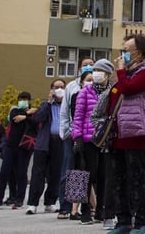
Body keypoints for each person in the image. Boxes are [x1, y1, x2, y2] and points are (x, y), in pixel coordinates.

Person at [106, 33, 145, 234]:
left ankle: (141, 222)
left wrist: (120, 73)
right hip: (117, 137)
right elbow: (112, 100)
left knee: (137, 180)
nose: (123, 55)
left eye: (127, 51)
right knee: (119, 181)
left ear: (140, 53)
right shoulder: (123, 76)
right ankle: (123, 221)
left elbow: (127, 90)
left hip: (138, 135)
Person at [73, 58, 116, 224]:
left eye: (101, 71)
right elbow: (77, 116)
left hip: (105, 139)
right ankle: (81, 210)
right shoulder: (84, 91)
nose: (97, 74)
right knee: (85, 174)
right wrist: (77, 137)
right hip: (87, 138)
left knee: (104, 175)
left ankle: (100, 210)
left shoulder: (113, 92)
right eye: (95, 70)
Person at [59, 58, 95, 219]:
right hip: (75, 135)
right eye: (85, 64)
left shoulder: (98, 88)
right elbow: (66, 111)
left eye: (91, 64)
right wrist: (67, 132)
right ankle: (67, 207)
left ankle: (93, 207)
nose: (89, 66)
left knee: (88, 173)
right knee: (72, 170)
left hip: (92, 137)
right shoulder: (72, 89)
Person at [0, 90, 35, 210]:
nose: (23, 101)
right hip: (11, 145)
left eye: (25, 99)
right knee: (4, 172)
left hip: (24, 146)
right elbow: (15, 117)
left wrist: (26, 116)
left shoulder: (33, 113)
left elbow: (35, 121)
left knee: (21, 173)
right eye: (21, 99)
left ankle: (19, 199)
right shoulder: (14, 110)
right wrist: (28, 114)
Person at [26, 79, 66, 215]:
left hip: (59, 141)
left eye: (61, 87)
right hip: (44, 142)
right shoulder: (45, 105)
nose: (59, 89)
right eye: (56, 87)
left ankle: (50, 201)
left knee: (55, 174)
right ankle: (32, 203)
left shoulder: (68, 105)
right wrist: (48, 102)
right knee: (38, 174)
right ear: (51, 90)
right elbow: (37, 118)